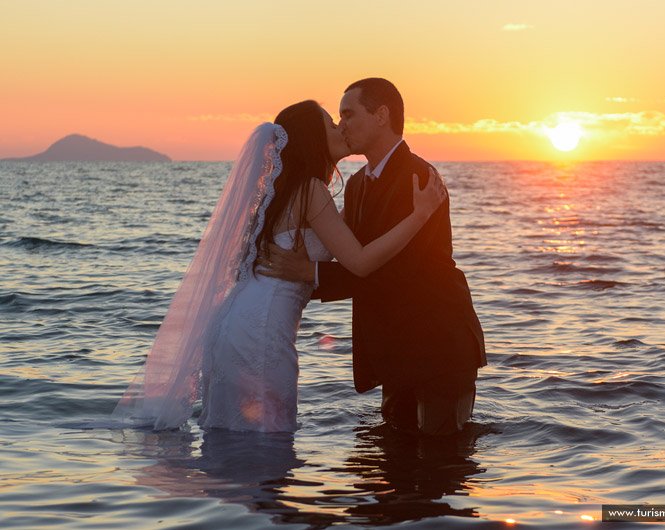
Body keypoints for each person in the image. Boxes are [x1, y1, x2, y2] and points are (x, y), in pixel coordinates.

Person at [112, 100, 446, 432]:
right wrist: (419, 215)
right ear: (313, 139)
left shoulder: (283, 194)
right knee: (267, 441)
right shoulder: (310, 191)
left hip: (234, 323)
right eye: (331, 124)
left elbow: (342, 240)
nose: (340, 128)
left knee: (230, 439)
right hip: (262, 332)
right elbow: (359, 262)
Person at [260, 79, 486, 436]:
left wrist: (311, 274)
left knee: (440, 464)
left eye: (348, 114)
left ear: (382, 115)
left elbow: (401, 270)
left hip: (439, 346)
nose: (342, 125)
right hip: (394, 353)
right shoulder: (357, 185)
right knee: (393, 468)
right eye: (338, 117)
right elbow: (357, 257)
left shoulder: (419, 176)